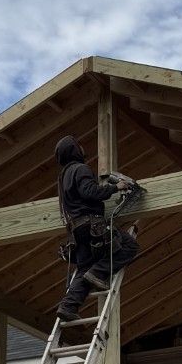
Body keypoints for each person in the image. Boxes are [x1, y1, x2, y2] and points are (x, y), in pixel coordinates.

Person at [55, 135, 141, 320]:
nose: (82, 148)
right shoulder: (81, 168)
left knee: (85, 267)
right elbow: (90, 192)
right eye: (79, 145)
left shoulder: (63, 177)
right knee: (128, 246)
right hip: (91, 225)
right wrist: (116, 187)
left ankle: (68, 306)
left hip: (77, 231)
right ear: (74, 150)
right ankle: (97, 273)